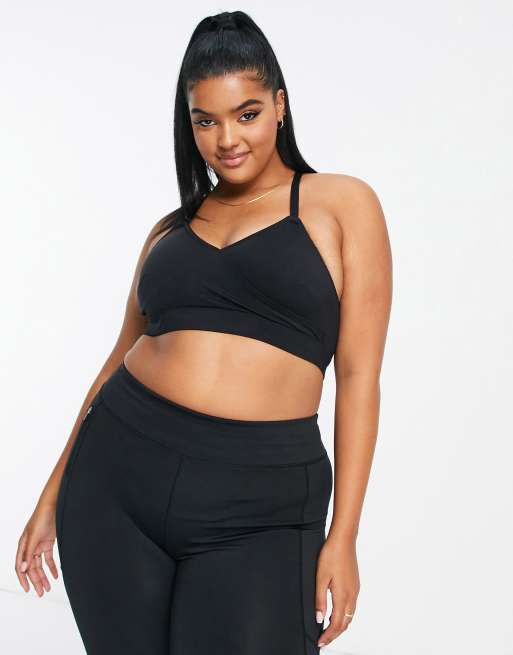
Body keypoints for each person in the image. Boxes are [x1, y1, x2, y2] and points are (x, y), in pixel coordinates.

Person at [14, 10, 392, 654]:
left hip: (260, 506)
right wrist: (51, 495)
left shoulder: (341, 203)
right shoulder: (169, 232)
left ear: (280, 105)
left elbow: (359, 376)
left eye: (247, 114)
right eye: (205, 121)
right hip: (116, 482)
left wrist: (344, 534)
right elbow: (117, 360)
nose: (227, 139)